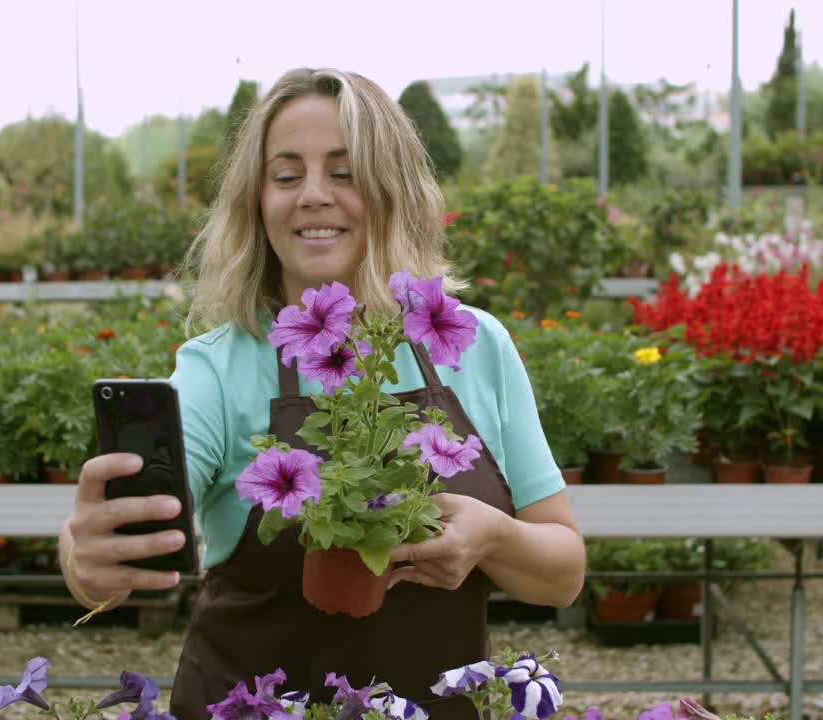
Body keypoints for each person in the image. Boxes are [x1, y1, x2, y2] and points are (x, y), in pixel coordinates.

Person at [59, 67, 586, 720]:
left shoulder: (474, 345)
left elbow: (563, 572)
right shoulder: (217, 368)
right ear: (257, 201)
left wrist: (494, 540)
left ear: (393, 190)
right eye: (286, 175)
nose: (313, 195)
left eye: (344, 172)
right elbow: (113, 545)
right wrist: (88, 555)